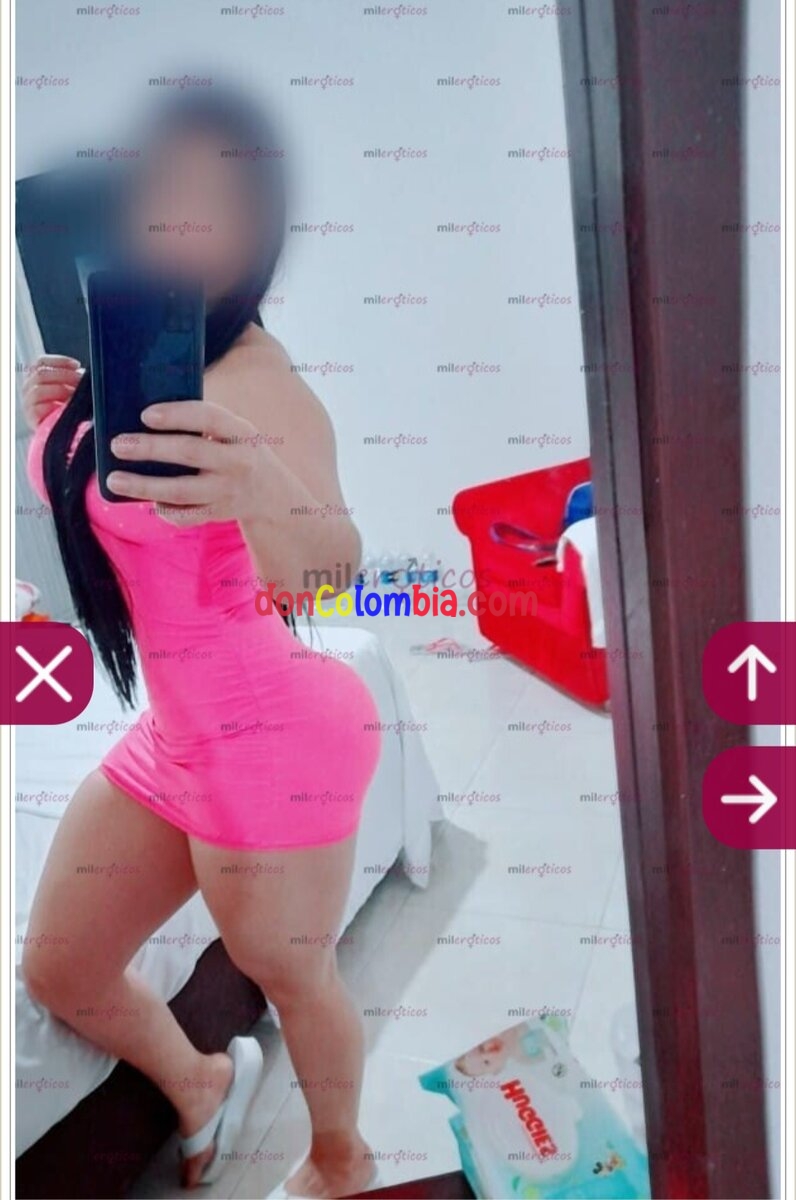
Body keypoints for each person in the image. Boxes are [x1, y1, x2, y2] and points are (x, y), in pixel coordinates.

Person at [21, 88, 381, 1198]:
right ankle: (200, 1082)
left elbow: (332, 572)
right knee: (61, 968)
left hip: (272, 736)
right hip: (174, 735)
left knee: (292, 975)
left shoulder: (258, 378)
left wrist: (258, 482)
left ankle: (341, 1160)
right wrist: (57, 426)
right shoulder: (128, 356)